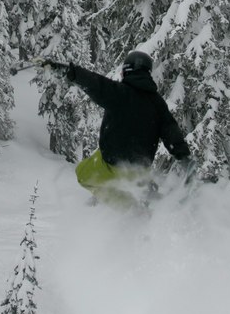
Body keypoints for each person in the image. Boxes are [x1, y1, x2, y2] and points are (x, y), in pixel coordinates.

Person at [39, 50, 192, 206]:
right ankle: (145, 194)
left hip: (113, 165)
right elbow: (171, 131)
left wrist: (65, 69)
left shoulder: (119, 92)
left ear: (127, 70)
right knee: (122, 181)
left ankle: (130, 209)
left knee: (83, 174)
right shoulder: (157, 103)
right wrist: (184, 157)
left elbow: (94, 83)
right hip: (140, 170)